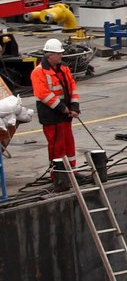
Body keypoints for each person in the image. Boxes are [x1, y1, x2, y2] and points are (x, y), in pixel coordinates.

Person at [30, 38, 80, 180]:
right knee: (56, 145)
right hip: (51, 114)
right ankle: (58, 176)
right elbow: (43, 94)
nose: (61, 56)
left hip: (65, 113)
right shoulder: (38, 72)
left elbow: (72, 88)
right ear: (50, 55)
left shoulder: (63, 68)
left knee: (68, 142)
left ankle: (72, 172)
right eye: (59, 53)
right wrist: (63, 108)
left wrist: (74, 107)